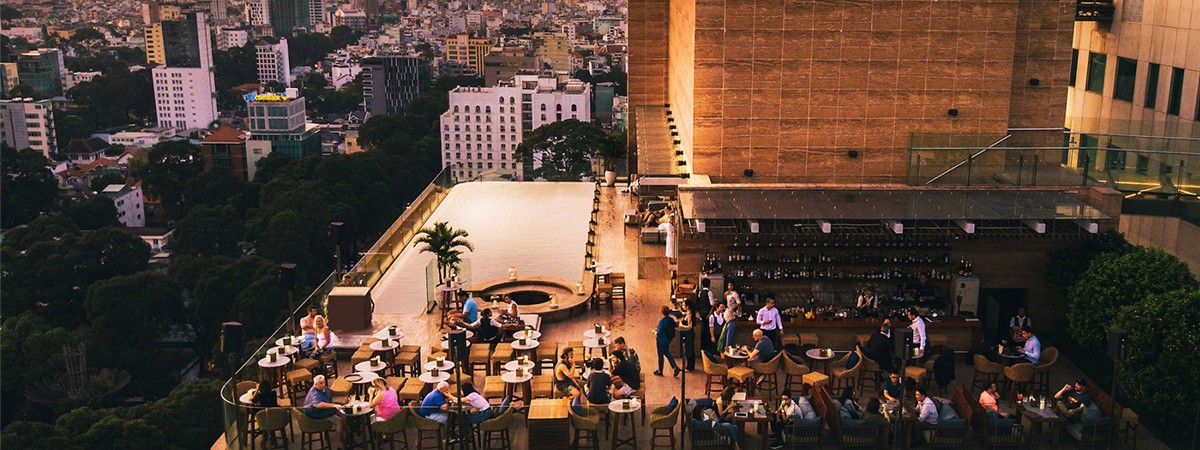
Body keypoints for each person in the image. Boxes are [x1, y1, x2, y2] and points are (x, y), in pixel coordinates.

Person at [303, 375, 345, 442]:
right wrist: (334, 405)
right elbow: (319, 405)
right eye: (321, 383)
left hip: (322, 410)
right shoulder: (314, 393)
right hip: (316, 413)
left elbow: (329, 395)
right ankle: (338, 443)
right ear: (315, 384)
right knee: (339, 421)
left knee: (343, 413)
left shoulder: (322, 389)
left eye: (324, 382)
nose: (323, 385)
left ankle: (345, 434)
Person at [654, 306, 681, 377]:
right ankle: (675, 367)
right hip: (668, 340)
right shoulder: (670, 319)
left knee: (660, 355)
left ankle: (660, 370)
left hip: (661, 340)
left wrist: (655, 332)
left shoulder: (662, 321)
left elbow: (659, 332)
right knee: (667, 352)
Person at [677, 299, 698, 371]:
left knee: (689, 350)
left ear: (687, 306)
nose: (683, 306)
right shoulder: (687, 313)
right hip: (688, 334)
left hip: (689, 333)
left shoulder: (690, 314)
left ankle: (690, 367)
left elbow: (690, 326)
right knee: (689, 349)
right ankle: (690, 365)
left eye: (684, 305)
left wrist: (682, 325)